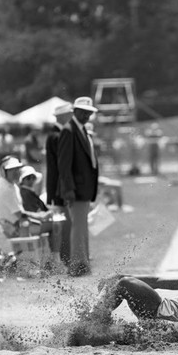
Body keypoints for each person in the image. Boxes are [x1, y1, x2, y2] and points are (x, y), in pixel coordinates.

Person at [57, 96, 99, 277]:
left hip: (84, 189)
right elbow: (64, 164)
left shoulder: (81, 130)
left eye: (89, 113)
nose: (87, 116)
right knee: (78, 227)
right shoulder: (69, 131)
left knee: (82, 227)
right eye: (84, 112)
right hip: (76, 189)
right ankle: (77, 266)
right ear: (75, 111)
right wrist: (68, 189)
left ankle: (83, 263)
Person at [0, 155, 51, 238]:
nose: (16, 172)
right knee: (54, 225)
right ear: (3, 172)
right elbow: (20, 215)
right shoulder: (6, 189)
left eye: (17, 169)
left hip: (18, 225)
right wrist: (40, 216)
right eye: (12, 170)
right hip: (15, 228)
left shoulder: (10, 185)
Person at [45, 102, 73, 265]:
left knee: (64, 225)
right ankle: (66, 257)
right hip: (59, 188)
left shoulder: (55, 134)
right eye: (69, 115)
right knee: (64, 225)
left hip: (58, 187)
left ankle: (66, 256)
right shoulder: (57, 136)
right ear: (63, 116)